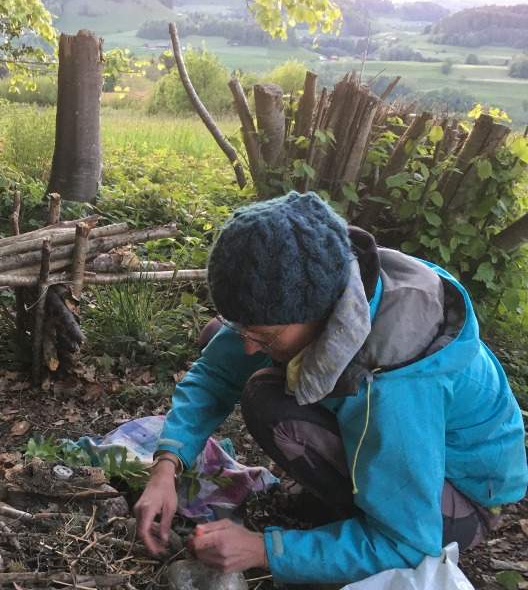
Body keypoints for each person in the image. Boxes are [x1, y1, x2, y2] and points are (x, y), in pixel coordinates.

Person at [134, 191, 528, 585]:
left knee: (264, 398)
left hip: (460, 502)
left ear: (320, 314)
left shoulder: (396, 380)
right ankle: (348, 503)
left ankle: (355, 514)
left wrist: (263, 549)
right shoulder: (334, 281)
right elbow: (218, 373)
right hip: (410, 448)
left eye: (264, 334)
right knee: (222, 340)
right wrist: (167, 465)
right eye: (245, 328)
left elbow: (408, 544)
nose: (250, 345)